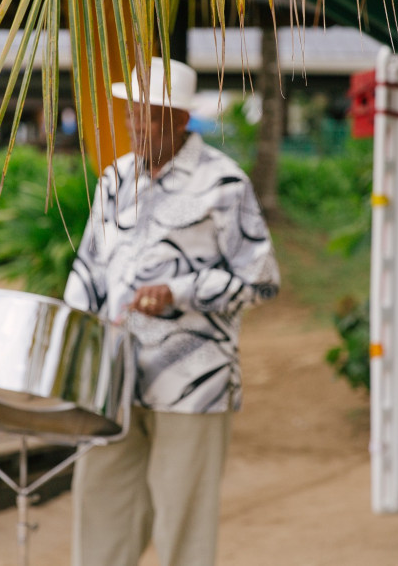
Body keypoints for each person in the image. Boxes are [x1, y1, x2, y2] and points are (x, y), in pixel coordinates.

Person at [63, 57, 280, 566]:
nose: (136, 125)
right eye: (132, 114)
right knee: (100, 504)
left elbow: (262, 281)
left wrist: (179, 292)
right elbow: (90, 266)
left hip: (191, 379)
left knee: (182, 520)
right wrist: (74, 323)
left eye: (150, 116)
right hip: (113, 377)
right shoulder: (116, 178)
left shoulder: (224, 185)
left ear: (181, 119)